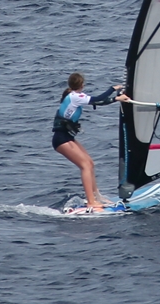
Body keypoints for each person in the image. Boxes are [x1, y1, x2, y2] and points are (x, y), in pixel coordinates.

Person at [53, 72, 128, 210]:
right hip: (61, 139)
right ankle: (91, 201)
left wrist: (116, 98)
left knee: (90, 163)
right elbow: (98, 98)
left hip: (67, 137)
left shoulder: (75, 96)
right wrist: (113, 89)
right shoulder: (75, 96)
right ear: (82, 84)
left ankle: (96, 196)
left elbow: (98, 102)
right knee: (85, 166)